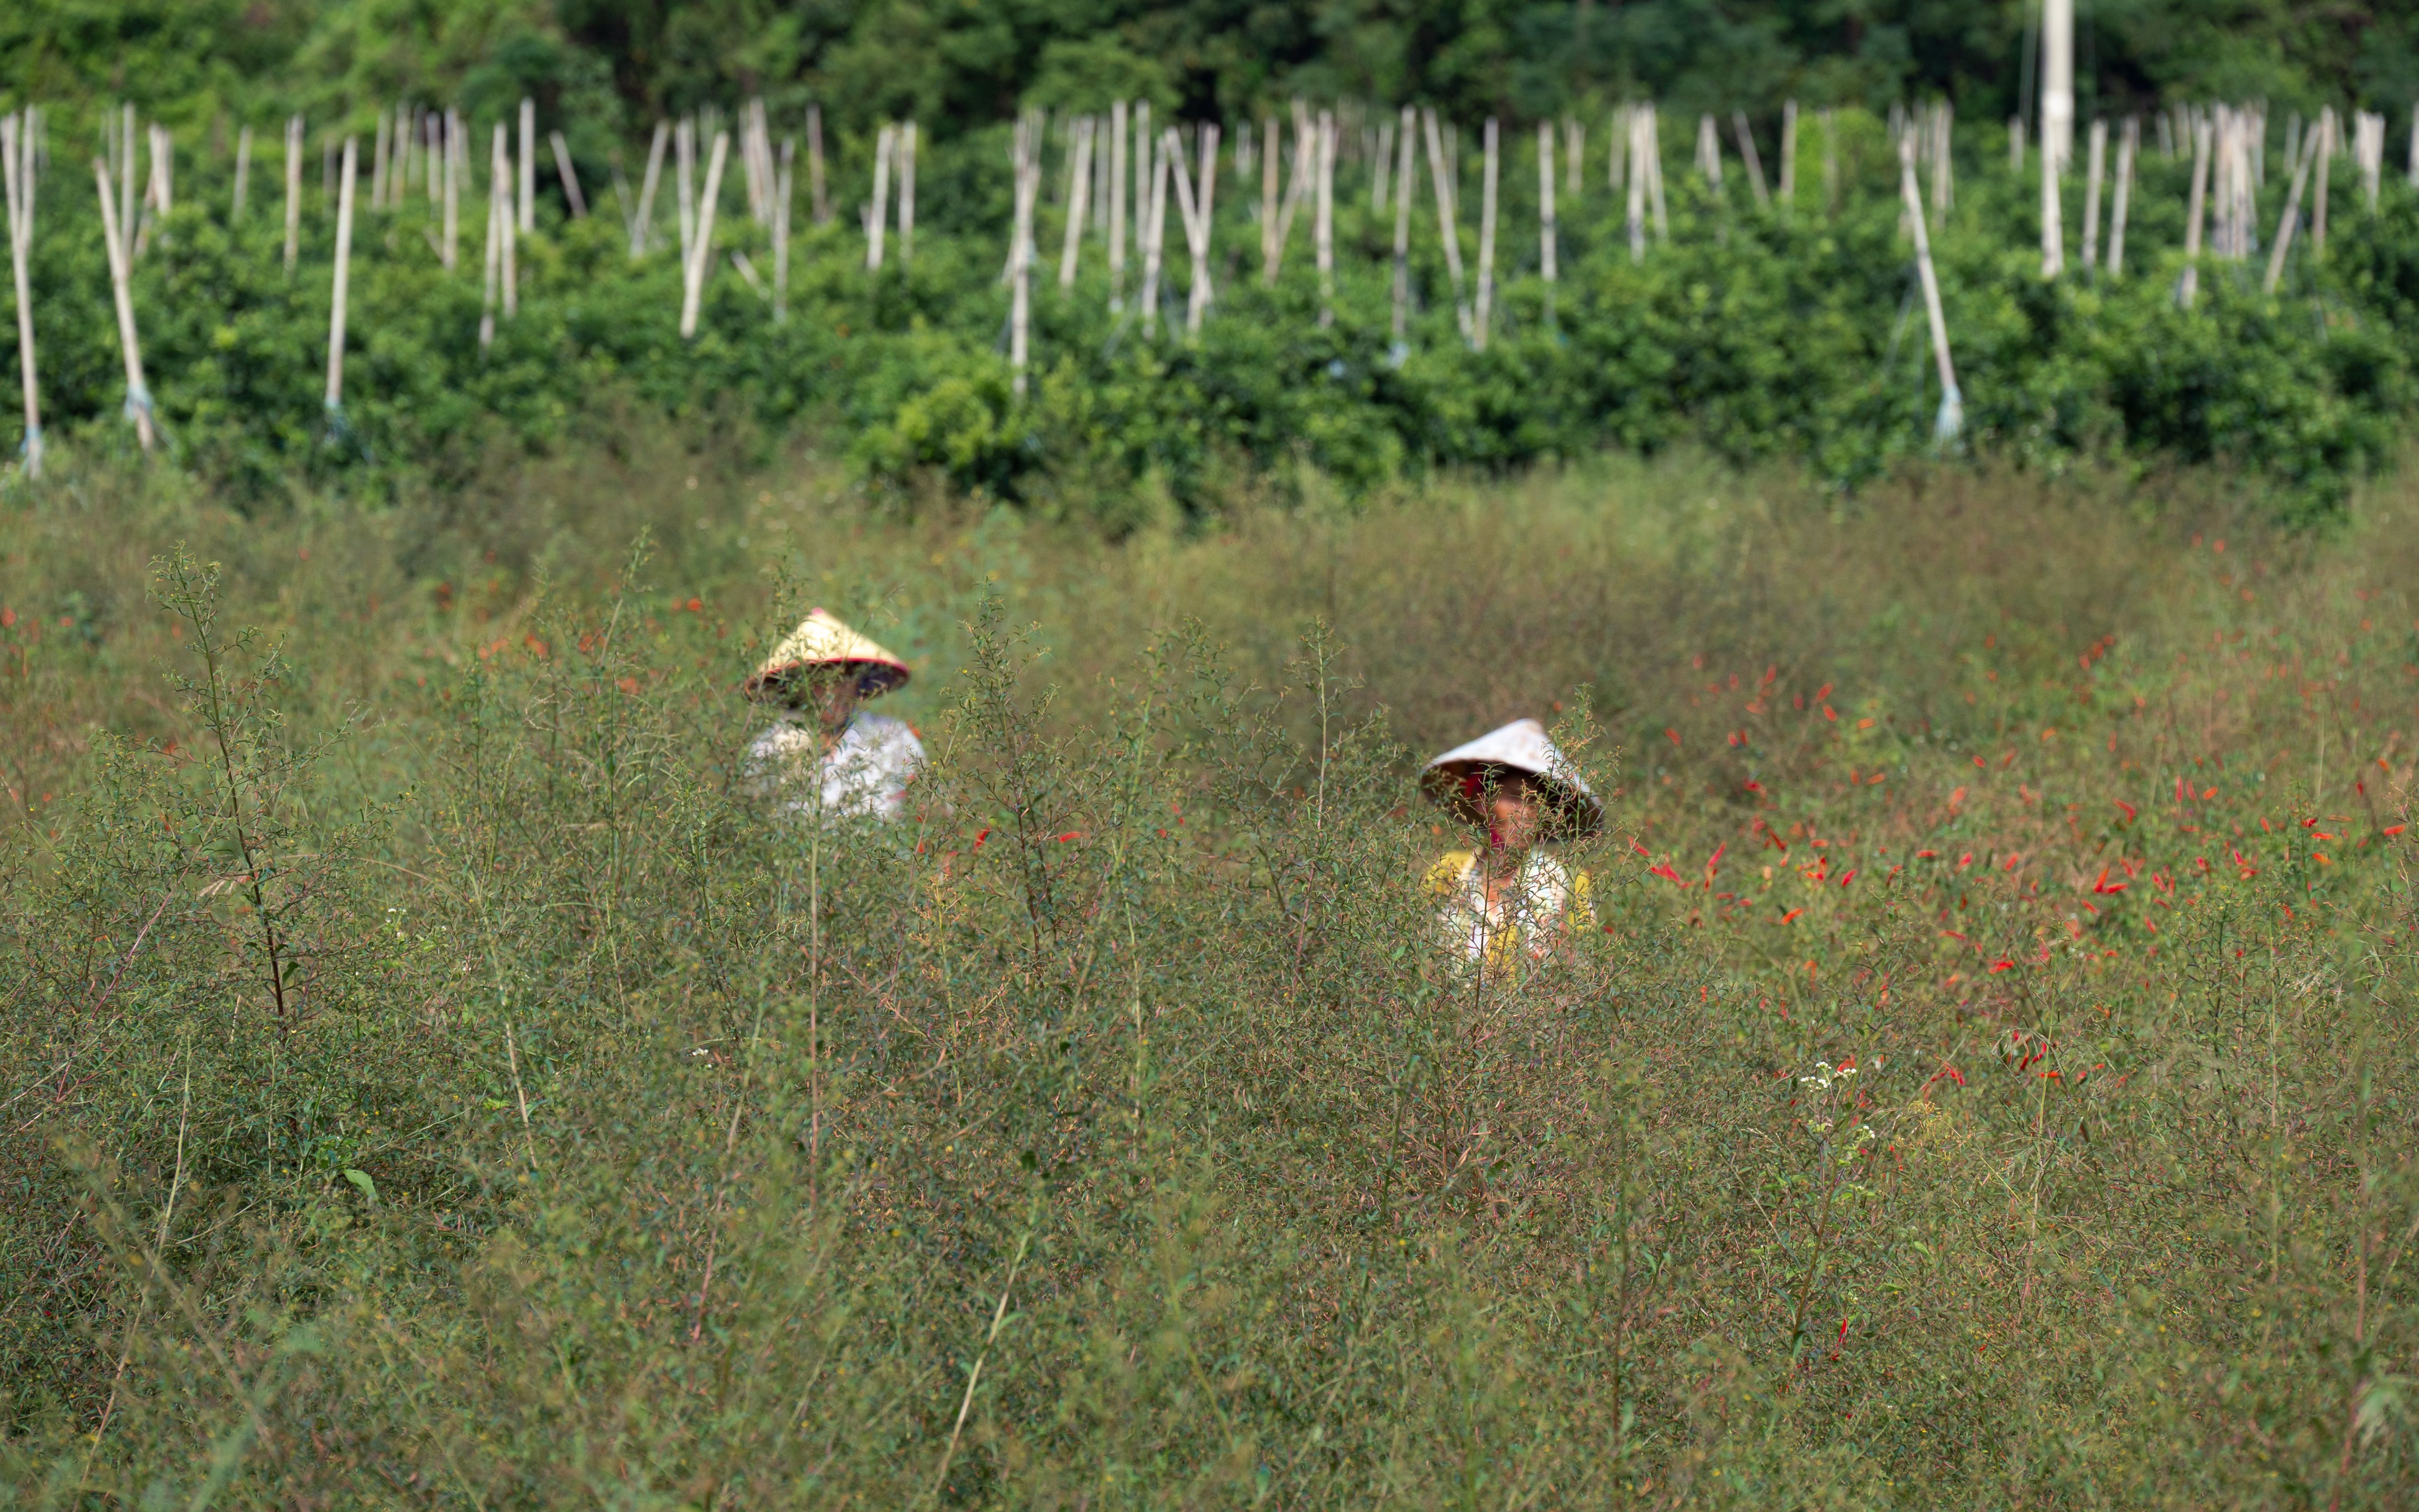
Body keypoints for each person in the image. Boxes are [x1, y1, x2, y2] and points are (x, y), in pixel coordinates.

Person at [1419, 718, 1600, 972]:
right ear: (1484, 803)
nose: (1524, 812)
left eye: (1535, 802)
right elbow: (1422, 962)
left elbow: (1582, 974)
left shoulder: (1569, 884)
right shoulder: (1447, 873)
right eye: (1514, 797)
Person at [741, 608, 925, 821]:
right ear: (796, 685)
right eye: (819, 680)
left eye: (843, 678)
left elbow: (930, 813)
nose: (832, 692)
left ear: (858, 680)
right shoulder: (769, 750)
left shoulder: (893, 738)